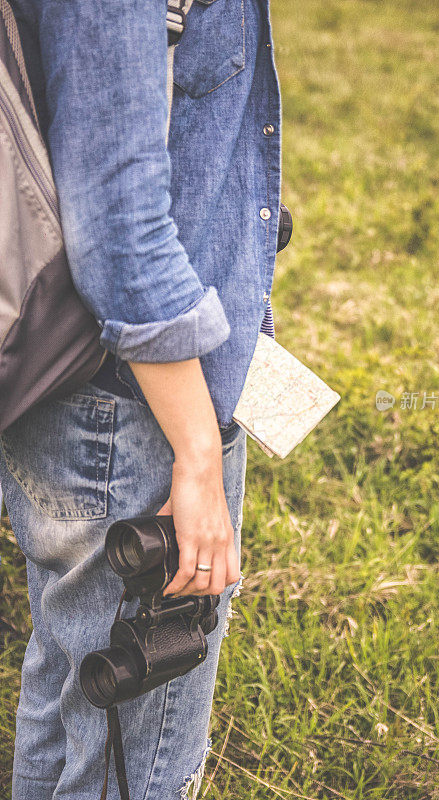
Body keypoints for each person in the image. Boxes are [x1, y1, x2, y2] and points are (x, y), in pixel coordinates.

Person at [0, 0, 282, 797]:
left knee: (72, 690)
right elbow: (121, 234)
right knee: (135, 753)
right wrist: (195, 456)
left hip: (68, 378)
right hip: (133, 415)